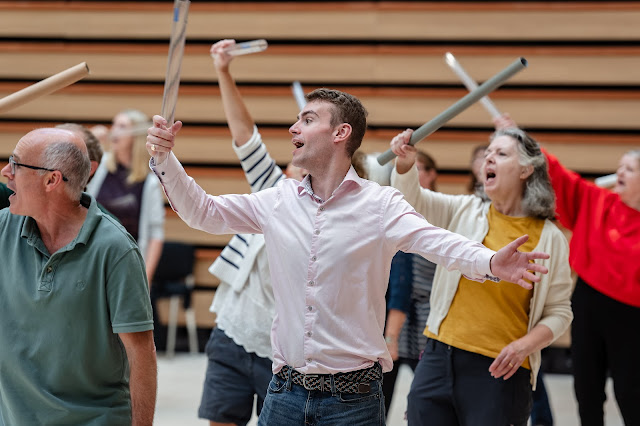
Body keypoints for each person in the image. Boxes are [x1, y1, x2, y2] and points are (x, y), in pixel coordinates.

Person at [146, 87, 551, 425]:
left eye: (306, 120)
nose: (293, 127)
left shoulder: (381, 204)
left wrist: (491, 262)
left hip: (352, 401)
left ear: (341, 132)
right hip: (283, 392)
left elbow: (437, 241)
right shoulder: (277, 201)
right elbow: (203, 211)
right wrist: (165, 159)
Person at [390, 126, 573, 426]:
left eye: (501, 154)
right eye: (487, 153)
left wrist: (524, 346)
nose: (489, 159)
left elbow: (560, 312)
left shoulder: (551, 237)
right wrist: (406, 164)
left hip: (502, 369)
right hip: (438, 355)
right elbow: (411, 204)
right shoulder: (465, 209)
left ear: (527, 169)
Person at [0, 128, 156, 425]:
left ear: (51, 180)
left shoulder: (115, 249)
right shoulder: (2, 229)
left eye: (16, 164)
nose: (6, 172)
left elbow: (141, 354)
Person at [494, 115, 640, 426]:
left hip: (632, 317)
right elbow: (559, 175)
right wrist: (519, 138)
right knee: (586, 386)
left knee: (632, 391)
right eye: (620, 166)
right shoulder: (599, 200)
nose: (619, 172)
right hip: (589, 301)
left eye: (629, 169)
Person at [198, 39, 287, 426]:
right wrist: (222, 71)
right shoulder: (275, 189)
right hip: (232, 331)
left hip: (287, 354)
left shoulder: (339, 214)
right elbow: (246, 138)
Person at [383, 149, 439, 414]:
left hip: (429, 314)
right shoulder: (393, 208)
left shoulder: (442, 209)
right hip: (397, 311)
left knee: (430, 397)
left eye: (420, 168)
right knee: (382, 393)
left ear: (431, 175)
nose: (413, 174)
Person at [86, 109, 164, 284]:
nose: (114, 130)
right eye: (114, 124)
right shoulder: (100, 167)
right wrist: (90, 139)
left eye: (122, 126)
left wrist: (146, 278)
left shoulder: (149, 182)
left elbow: (155, 234)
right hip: (92, 258)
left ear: (135, 135)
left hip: (128, 264)